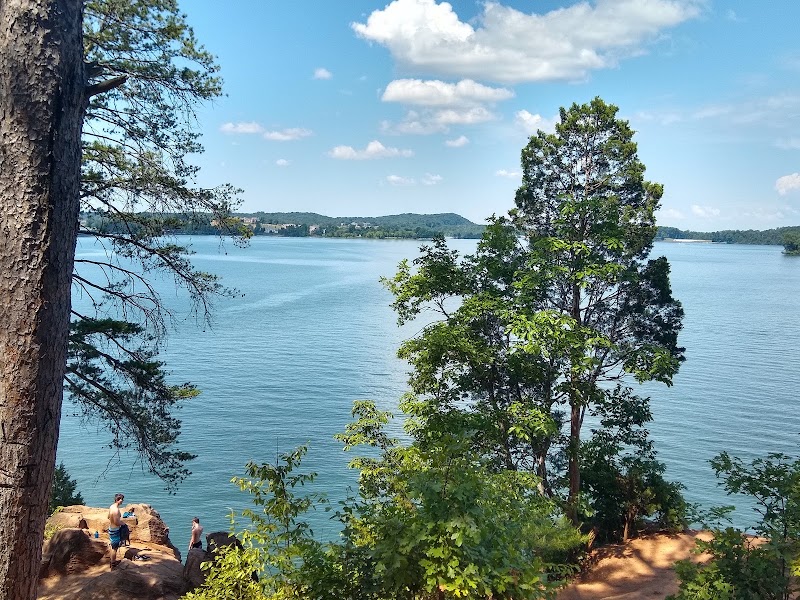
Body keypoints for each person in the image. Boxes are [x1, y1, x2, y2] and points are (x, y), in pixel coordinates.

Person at [108, 493, 125, 567]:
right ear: (119, 500)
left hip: (111, 528)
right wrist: (123, 524)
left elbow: (108, 517)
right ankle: (113, 563)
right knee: (115, 548)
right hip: (115, 530)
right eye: (121, 499)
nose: (122, 501)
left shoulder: (111, 506)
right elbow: (116, 522)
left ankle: (112, 561)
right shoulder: (116, 510)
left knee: (112, 546)